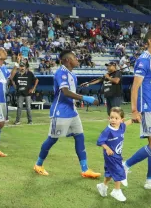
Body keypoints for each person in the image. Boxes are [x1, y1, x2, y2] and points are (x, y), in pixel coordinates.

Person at [33, 50, 101, 178]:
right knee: (52, 139)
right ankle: (38, 164)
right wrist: (86, 98)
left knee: (79, 136)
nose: (77, 59)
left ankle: (85, 169)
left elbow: (71, 91)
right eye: (75, 57)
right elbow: (65, 92)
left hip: (72, 110)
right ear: (68, 60)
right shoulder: (61, 72)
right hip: (60, 111)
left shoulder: (72, 75)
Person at [122, 30, 151, 192]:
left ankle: (150, 180)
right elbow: (135, 87)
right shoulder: (143, 60)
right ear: (150, 41)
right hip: (147, 108)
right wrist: (134, 110)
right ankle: (124, 166)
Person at [96, 107, 137, 202]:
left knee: (110, 172)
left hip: (118, 155)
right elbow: (100, 141)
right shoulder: (108, 131)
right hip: (110, 156)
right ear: (108, 118)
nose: (113, 120)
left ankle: (103, 186)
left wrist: (135, 120)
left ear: (121, 120)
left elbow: (127, 123)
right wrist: (107, 148)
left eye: (116, 118)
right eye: (111, 117)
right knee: (119, 170)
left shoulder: (121, 127)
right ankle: (116, 190)